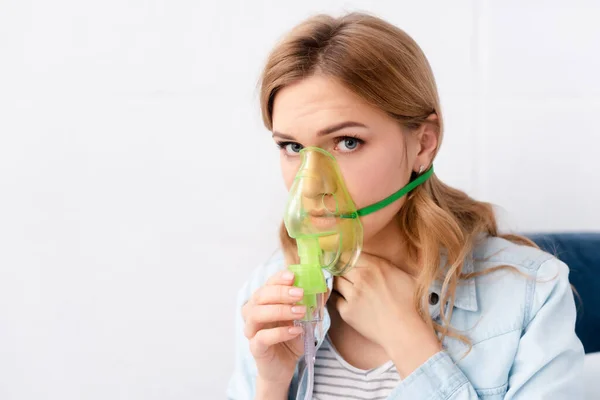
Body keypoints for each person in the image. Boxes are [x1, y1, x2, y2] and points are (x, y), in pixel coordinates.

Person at [227, 12, 584, 400]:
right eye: (293, 148)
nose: (311, 188)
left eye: (347, 142)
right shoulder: (268, 292)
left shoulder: (530, 296)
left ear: (423, 144)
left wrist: (410, 343)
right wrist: (272, 384)